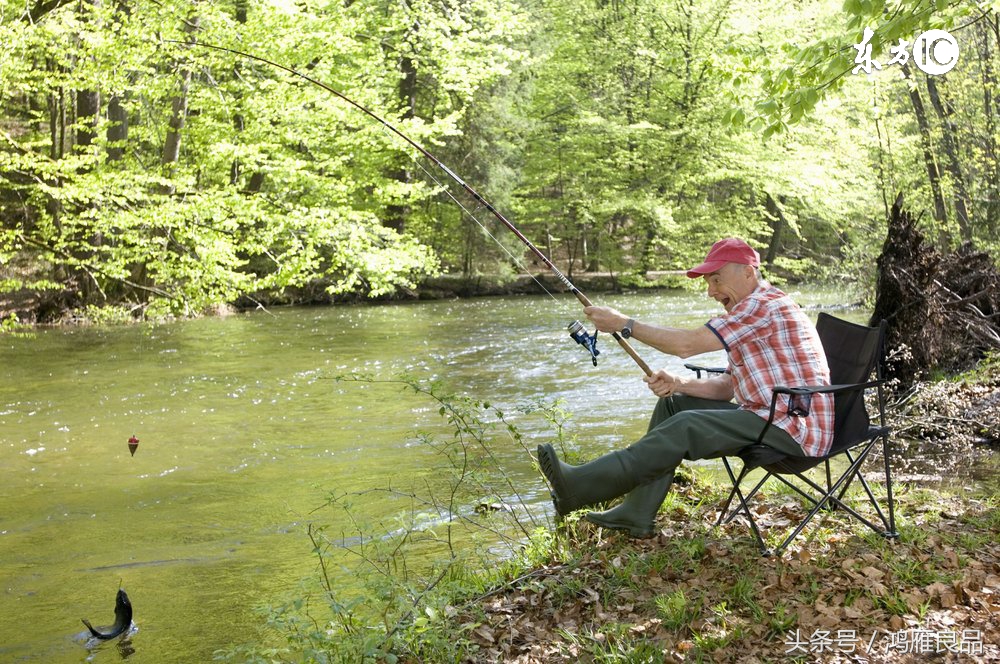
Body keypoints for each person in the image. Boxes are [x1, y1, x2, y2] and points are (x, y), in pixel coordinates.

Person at [537, 237, 835, 538]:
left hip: (793, 430)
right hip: (769, 417)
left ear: (748, 272)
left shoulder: (762, 307)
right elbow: (727, 387)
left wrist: (624, 323)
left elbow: (686, 345)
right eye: (708, 282)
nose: (711, 291)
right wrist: (679, 383)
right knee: (673, 404)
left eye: (716, 279)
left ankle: (579, 487)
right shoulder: (748, 313)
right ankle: (637, 511)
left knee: (686, 425)